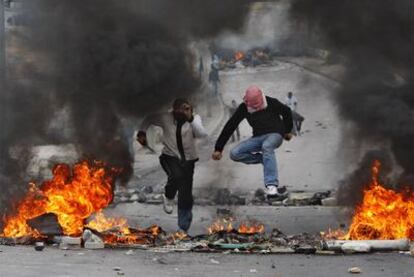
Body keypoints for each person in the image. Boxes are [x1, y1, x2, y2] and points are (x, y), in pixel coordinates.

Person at [137, 99, 208, 232]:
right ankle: (169, 195)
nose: (183, 112)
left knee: (185, 194)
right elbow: (149, 119)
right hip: (169, 157)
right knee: (176, 176)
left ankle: (183, 226)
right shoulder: (165, 117)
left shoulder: (195, 119)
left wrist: (191, 118)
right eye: (180, 110)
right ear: (174, 110)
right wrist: (142, 132)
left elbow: (202, 134)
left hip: (189, 161)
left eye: (186, 109)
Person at [212, 85, 293, 199]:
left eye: (257, 105)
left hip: (275, 134)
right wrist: (218, 148)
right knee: (235, 153)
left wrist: (287, 131)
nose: (255, 108)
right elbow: (231, 125)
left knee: (267, 146)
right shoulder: (244, 107)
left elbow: (286, 111)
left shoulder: (270, 102)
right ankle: (265, 159)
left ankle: (272, 187)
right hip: (258, 137)